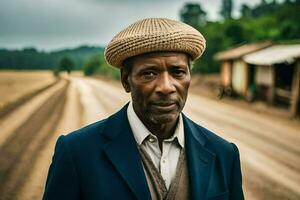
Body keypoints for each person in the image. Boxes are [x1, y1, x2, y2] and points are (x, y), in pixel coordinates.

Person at [43, 18, 244, 200]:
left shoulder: (224, 154)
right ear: (125, 80)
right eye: (149, 73)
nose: (166, 87)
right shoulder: (77, 153)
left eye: (178, 72)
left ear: (190, 76)